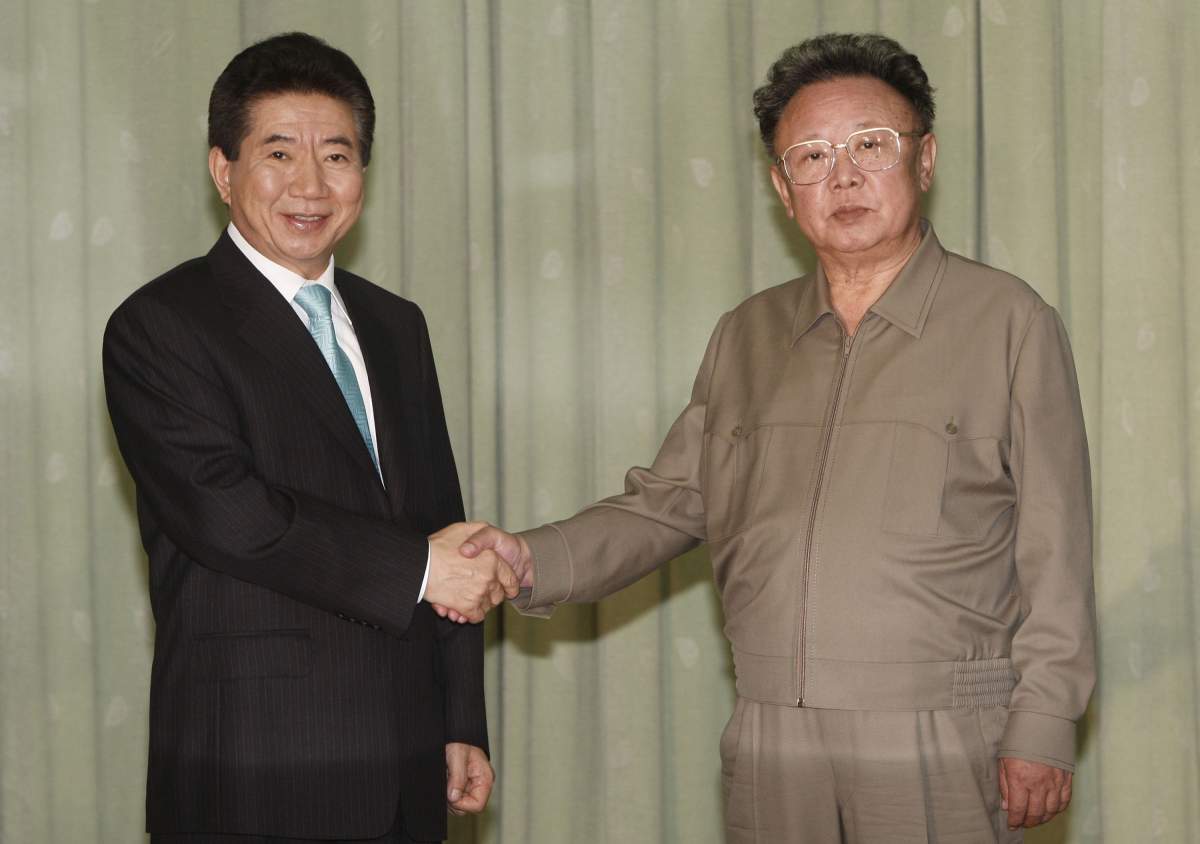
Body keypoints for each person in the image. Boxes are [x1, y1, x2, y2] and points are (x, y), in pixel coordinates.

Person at [454, 32, 1095, 843]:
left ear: (924, 160)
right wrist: (528, 557)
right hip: (770, 739)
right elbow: (669, 505)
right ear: (781, 189)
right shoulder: (746, 335)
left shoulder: (1009, 322)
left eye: (872, 145)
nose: (845, 175)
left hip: (940, 732)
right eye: (812, 156)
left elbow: (1056, 546)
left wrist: (1044, 722)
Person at [102, 32, 517, 844]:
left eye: (337, 155)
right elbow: (233, 517)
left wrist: (459, 714)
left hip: (405, 751)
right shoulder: (160, 326)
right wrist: (426, 569)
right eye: (279, 153)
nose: (311, 184)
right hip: (254, 757)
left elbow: (441, 517)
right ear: (223, 171)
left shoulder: (398, 325)